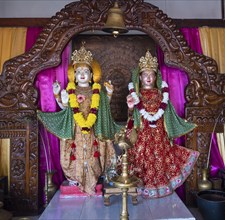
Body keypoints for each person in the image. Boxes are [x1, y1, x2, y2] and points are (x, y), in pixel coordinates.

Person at [38, 42, 121, 195]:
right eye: (79, 71)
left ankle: (95, 176)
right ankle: (75, 178)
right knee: (75, 154)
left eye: (86, 71)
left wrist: (108, 94)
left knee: (94, 154)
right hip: (75, 129)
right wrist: (57, 95)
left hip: (93, 129)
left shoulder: (98, 91)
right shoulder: (71, 91)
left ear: (91, 75)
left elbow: (102, 108)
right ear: (74, 76)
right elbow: (65, 108)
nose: (82, 74)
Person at [126, 50, 200, 198]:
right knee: (142, 160)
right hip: (143, 132)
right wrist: (130, 107)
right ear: (140, 77)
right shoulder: (135, 94)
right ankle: (143, 188)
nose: (148, 77)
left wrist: (171, 124)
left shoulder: (161, 94)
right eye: (145, 75)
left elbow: (167, 112)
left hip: (159, 133)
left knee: (160, 159)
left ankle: (159, 188)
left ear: (156, 77)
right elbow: (131, 117)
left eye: (151, 74)